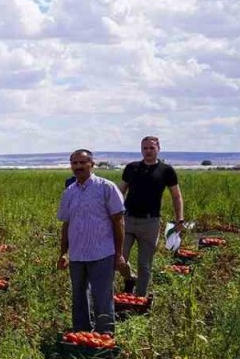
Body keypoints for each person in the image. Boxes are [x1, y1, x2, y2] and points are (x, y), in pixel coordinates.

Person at [56, 149, 127, 334]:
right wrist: (63, 253)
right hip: (77, 254)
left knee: (102, 295)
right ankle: (81, 334)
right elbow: (66, 224)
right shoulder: (69, 192)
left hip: (102, 252)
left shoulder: (106, 187)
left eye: (82, 162)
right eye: (74, 163)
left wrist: (119, 254)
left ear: (92, 164)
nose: (78, 166)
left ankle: (105, 335)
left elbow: (118, 221)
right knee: (79, 296)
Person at [120, 136, 184, 295]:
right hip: (127, 220)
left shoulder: (166, 171)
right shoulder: (132, 168)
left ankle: (140, 299)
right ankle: (130, 278)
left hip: (150, 223)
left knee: (144, 265)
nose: (148, 151)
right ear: (141, 150)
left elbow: (176, 196)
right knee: (119, 259)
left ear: (158, 149)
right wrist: (111, 213)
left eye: (151, 148)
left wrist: (179, 219)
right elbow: (120, 192)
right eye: (145, 148)